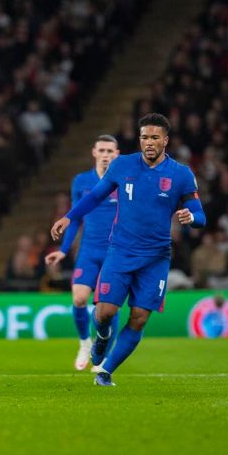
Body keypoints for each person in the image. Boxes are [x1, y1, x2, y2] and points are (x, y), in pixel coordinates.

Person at [51, 114, 206, 386]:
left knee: (139, 318)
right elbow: (95, 195)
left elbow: (200, 215)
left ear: (165, 140)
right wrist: (69, 217)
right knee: (105, 313)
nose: (149, 142)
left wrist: (190, 217)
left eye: (155, 137)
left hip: (156, 258)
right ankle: (101, 337)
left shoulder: (181, 174)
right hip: (120, 252)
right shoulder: (122, 165)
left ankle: (105, 371)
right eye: (144, 137)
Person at [45, 135, 121, 371]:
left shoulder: (123, 181)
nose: (106, 155)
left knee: (109, 306)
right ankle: (85, 343)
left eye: (110, 151)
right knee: (79, 299)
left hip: (114, 253)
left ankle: (103, 357)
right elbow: (76, 218)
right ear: (94, 152)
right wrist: (63, 250)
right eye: (102, 150)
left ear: (117, 154)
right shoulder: (81, 181)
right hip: (89, 251)